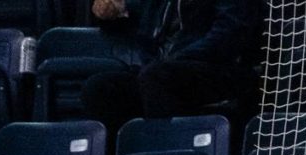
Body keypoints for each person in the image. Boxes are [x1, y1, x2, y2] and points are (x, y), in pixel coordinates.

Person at [79, 0, 261, 130]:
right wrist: (115, 10)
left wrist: (178, 58)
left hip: (218, 69)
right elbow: (141, 16)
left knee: (157, 76)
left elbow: (229, 35)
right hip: (161, 69)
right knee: (100, 87)